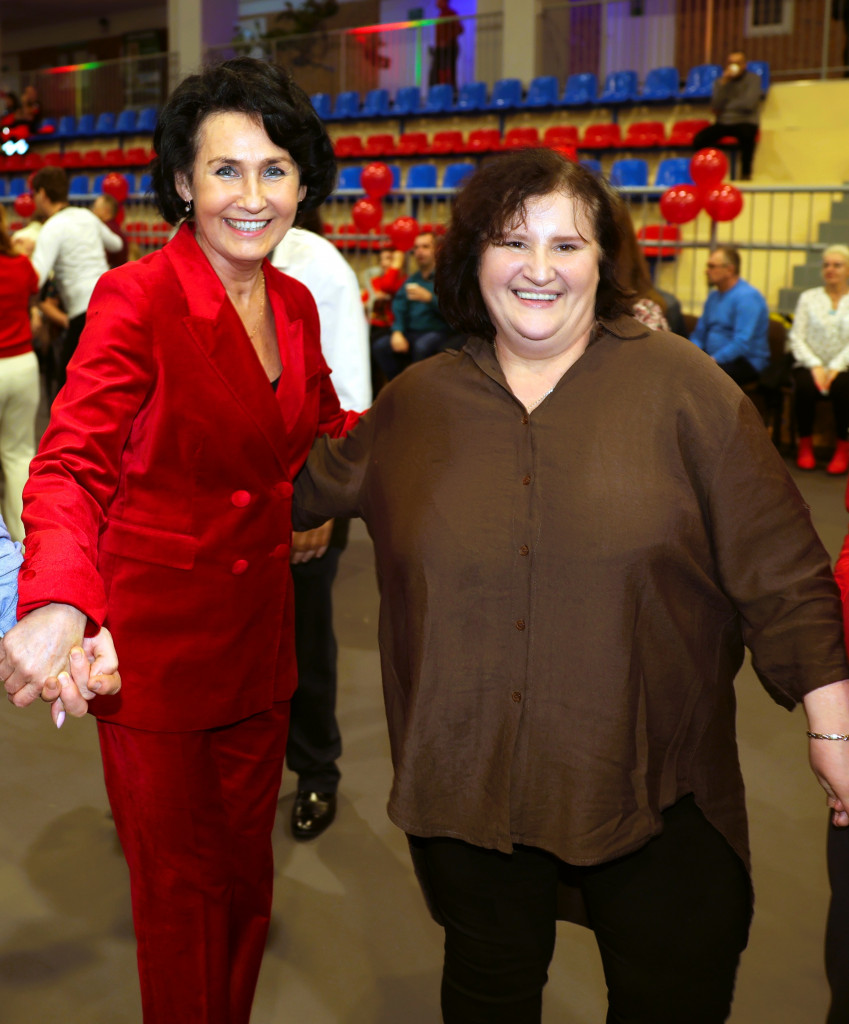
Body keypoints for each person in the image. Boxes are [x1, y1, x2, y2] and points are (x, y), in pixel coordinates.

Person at [292, 148, 849, 1024]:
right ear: (473, 256)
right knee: (485, 989)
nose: (539, 269)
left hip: (651, 788)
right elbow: (276, 487)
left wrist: (833, 728)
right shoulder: (417, 404)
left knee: (672, 994)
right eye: (513, 242)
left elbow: (782, 569)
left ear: (604, 259)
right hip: (469, 792)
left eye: (566, 244)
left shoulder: (685, 390)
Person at [0, 56, 358, 1024]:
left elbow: (329, 433)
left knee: (244, 883)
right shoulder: (138, 298)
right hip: (153, 661)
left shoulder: (294, 302)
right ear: (181, 184)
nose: (253, 195)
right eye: (225, 170)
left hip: (260, 649)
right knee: (180, 900)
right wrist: (58, 599)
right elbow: (69, 464)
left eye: (275, 169)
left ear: (304, 185)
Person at [270, 208, 371, 840]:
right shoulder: (182, 263)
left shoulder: (315, 264)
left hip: (300, 491)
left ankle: (315, 770)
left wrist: (320, 500)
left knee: (303, 640)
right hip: (215, 500)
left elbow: (348, 394)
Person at [29, 166, 123, 391]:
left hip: (84, 312)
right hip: (111, 301)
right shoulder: (86, 216)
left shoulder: (52, 227)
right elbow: (116, 244)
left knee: (69, 388)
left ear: (42, 194)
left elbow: (35, 279)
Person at [789, 245, 849, 474]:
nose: (830, 269)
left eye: (837, 265)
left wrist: (835, 367)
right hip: (810, 362)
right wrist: (815, 365)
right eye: (826, 265)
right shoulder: (808, 298)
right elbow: (796, 337)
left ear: (848, 269)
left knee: (844, 387)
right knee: (804, 386)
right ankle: (805, 445)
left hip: (843, 365)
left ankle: (843, 448)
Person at [0, 203, 40, 542]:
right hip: (23, 365)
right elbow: (34, 293)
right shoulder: (22, 265)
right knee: (19, 457)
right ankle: (25, 543)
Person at [372, 230, 458, 380]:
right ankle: (398, 383)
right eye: (416, 247)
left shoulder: (446, 280)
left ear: (437, 250)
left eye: (425, 247)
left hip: (438, 331)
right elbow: (398, 307)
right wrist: (397, 332)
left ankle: (416, 385)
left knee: (422, 346)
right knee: (380, 346)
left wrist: (430, 298)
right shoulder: (412, 279)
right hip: (411, 332)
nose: (419, 251)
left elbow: (455, 312)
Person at [688, 244, 770, 386]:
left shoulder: (748, 297)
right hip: (713, 359)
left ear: (729, 270)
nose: (706, 271)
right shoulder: (713, 297)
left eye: (712, 266)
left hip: (744, 361)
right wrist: (691, 355)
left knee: (701, 379)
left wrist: (712, 361)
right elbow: (699, 334)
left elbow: (742, 342)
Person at [692, 50, 761, 180]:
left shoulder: (753, 79)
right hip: (724, 122)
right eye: (731, 63)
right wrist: (723, 84)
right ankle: (708, 173)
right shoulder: (720, 82)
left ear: (744, 65)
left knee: (747, 137)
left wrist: (727, 106)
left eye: (738, 63)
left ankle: (745, 174)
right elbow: (715, 105)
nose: (734, 66)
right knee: (700, 139)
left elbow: (749, 104)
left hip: (745, 121)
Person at [429, 0, 464, 90]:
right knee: (435, 72)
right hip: (440, 49)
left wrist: (446, 40)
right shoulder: (441, 15)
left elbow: (460, 29)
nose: (436, 2)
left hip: (450, 48)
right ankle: (435, 91)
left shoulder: (451, 14)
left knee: (450, 72)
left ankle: (453, 92)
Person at [92, 192, 130, 269]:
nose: (93, 211)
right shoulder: (117, 230)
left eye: (95, 208)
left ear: (105, 211)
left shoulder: (106, 231)